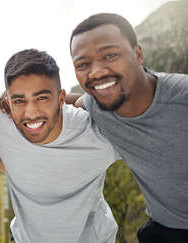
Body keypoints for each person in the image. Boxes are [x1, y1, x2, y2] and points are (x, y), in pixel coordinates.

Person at [70, 13, 188, 242]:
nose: (96, 71)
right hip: (163, 231)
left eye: (110, 55)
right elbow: (71, 102)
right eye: (83, 64)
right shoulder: (96, 104)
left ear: (138, 54)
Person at [0, 49, 119, 243]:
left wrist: (85, 100)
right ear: (8, 103)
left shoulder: (98, 135)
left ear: (61, 99)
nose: (31, 113)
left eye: (42, 98)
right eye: (20, 100)